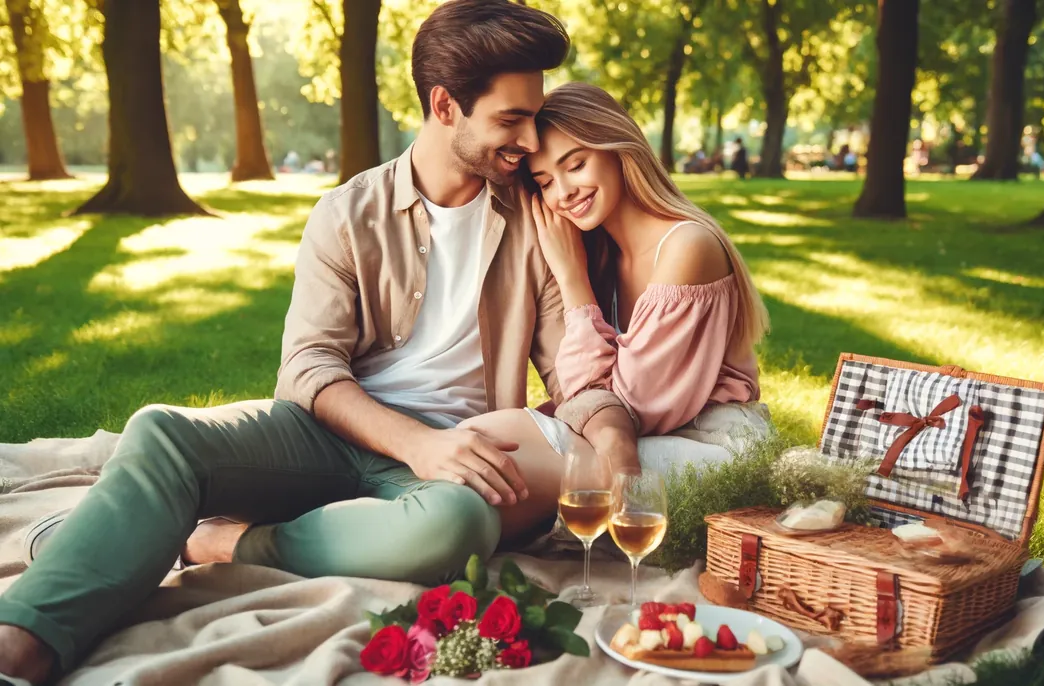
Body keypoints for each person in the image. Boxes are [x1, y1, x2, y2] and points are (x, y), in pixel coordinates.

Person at [0, 2, 635, 683]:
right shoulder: (349, 211)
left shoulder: (533, 220)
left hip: (445, 462)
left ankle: (224, 541)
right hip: (325, 434)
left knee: (459, 524)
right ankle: (26, 637)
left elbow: (574, 380)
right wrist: (413, 439)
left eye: (532, 117)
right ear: (445, 106)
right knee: (161, 432)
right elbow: (308, 368)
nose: (527, 140)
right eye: (509, 120)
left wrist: (617, 445)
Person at [465, 82, 773, 479]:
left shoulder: (687, 248)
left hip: (717, 445)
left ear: (618, 149)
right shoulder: (601, 253)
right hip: (646, 439)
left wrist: (572, 278)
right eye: (544, 182)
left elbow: (634, 405)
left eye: (575, 165)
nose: (564, 192)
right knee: (485, 438)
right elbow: (592, 398)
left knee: (508, 452)